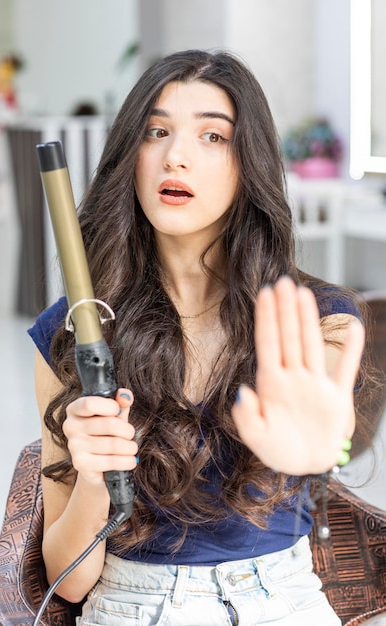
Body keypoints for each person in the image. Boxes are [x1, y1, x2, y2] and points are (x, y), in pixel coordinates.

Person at [29, 49, 372, 625]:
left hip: (283, 601)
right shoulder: (71, 332)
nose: (176, 156)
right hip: (128, 604)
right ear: (129, 157)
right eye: (156, 131)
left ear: (249, 164)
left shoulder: (318, 319)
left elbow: (332, 440)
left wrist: (321, 452)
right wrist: (93, 481)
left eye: (213, 137)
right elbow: (68, 581)